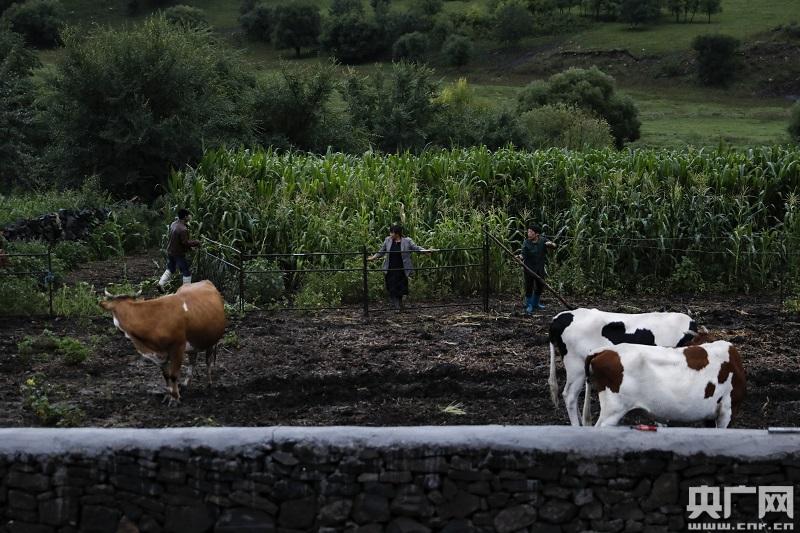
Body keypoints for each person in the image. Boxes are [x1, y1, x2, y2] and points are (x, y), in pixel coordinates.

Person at [369, 224, 434, 311]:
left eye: (392, 232)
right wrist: (373, 257)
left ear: (397, 234)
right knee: (392, 288)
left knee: (401, 288)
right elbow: (382, 251)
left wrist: (425, 251)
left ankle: (399, 305)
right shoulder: (387, 240)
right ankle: (397, 307)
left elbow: (416, 248)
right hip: (390, 268)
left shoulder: (407, 241)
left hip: (401, 269)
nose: (390, 234)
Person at [157, 208, 200, 293]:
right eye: (188, 215)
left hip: (170, 251)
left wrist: (190, 247)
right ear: (185, 217)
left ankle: (160, 284)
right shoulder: (183, 229)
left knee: (171, 268)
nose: (190, 216)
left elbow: (177, 240)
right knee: (186, 271)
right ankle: (186, 292)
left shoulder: (173, 224)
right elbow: (185, 242)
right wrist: (196, 242)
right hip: (178, 253)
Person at [517, 223, 556, 315]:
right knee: (529, 286)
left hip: (539, 268)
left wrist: (551, 244)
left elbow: (554, 246)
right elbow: (523, 254)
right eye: (528, 232)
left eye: (530, 232)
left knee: (539, 286)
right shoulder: (526, 242)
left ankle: (536, 304)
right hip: (529, 268)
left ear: (537, 234)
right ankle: (529, 305)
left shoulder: (543, 241)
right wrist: (519, 257)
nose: (528, 234)